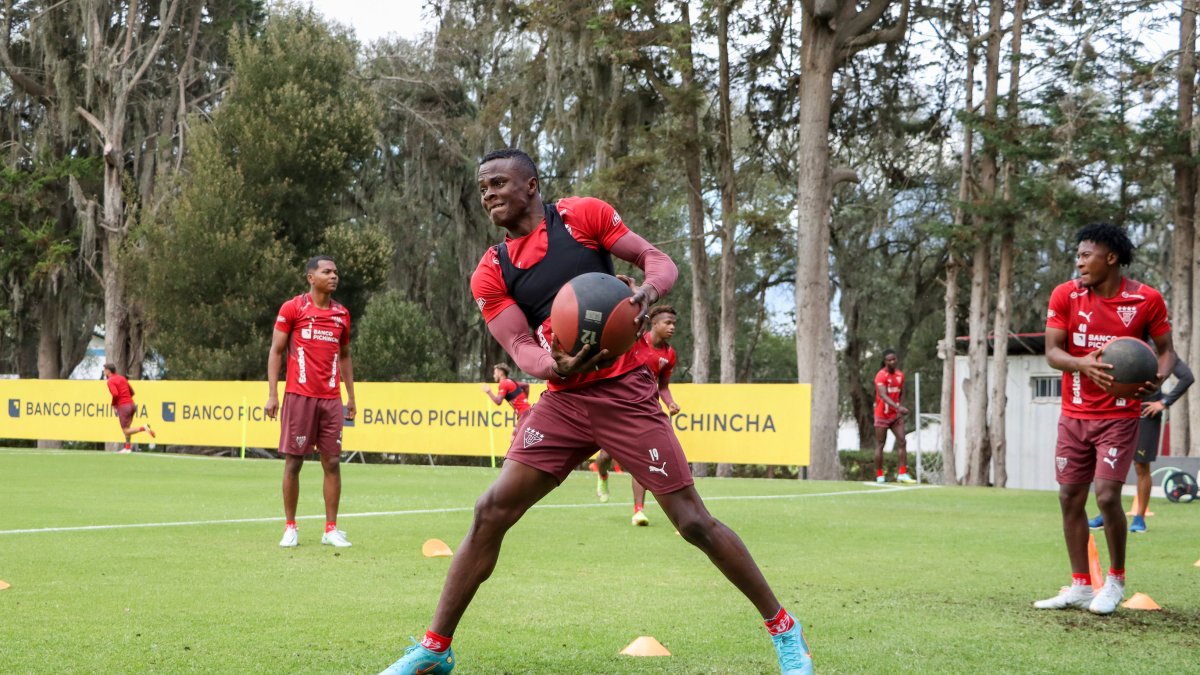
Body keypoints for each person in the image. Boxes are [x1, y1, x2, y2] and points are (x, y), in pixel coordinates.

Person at [379, 149, 812, 675]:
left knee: (693, 522)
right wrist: (552, 365)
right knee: (491, 509)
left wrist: (645, 295)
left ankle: (786, 631)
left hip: (625, 393)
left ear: (531, 185)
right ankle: (435, 648)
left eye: (498, 182)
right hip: (563, 401)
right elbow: (519, 344)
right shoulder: (491, 271)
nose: (488, 193)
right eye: (482, 187)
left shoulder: (582, 216)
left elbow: (659, 262)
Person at [1037, 223, 1173, 616]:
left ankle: (1114, 580)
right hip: (1074, 414)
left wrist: (1157, 379)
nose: (1078, 262)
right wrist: (1081, 364)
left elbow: (1165, 351)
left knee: (1108, 495)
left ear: (1110, 257)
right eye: (1077, 255)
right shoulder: (1066, 294)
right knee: (1069, 497)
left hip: (1119, 415)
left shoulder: (1146, 299)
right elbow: (1052, 351)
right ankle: (1081, 585)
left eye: (1086, 254)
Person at [265, 255, 357, 549]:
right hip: (299, 396)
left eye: (336, 272)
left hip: (330, 399)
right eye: (327, 271)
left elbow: (344, 356)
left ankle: (331, 529)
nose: (334, 276)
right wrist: (272, 394)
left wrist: (351, 396)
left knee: (332, 461)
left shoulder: (342, 314)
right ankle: (290, 527)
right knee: (294, 461)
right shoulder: (293, 308)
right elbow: (276, 351)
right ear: (310, 277)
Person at [595, 304, 681, 525]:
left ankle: (638, 511)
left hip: (643, 410)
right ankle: (602, 475)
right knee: (604, 457)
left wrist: (670, 403)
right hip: (616, 406)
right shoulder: (634, 341)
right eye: (667, 323)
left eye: (674, 323)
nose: (672, 327)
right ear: (654, 324)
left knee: (641, 461)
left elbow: (663, 386)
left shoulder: (669, 354)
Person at [1087, 356, 1193, 533]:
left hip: (1146, 414)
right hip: (1118, 411)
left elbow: (1187, 377)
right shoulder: (1124, 341)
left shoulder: (1162, 351)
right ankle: (1106, 514)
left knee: (1141, 465)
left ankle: (1139, 518)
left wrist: (1164, 402)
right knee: (1111, 462)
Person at [873, 349, 914, 484]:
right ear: (885, 362)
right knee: (880, 444)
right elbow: (883, 395)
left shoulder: (900, 375)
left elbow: (899, 393)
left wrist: (899, 408)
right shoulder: (881, 376)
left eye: (894, 359)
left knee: (902, 441)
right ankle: (880, 475)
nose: (892, 362)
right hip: (882, 415)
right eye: (889, 360)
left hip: (895, 416)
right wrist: (898, 407)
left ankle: (902, 473)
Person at [102, 363, 155, 453]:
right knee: (128, 428)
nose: (103, 371)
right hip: (132, 405)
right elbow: (132, 392)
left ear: (108, 371)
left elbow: (115, 394)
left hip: (124, 407)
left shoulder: (110, 381)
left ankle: (144, 428)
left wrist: (114, 405)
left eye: (104, 369)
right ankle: (127, 448)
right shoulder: (122, 378)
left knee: (126, 431)